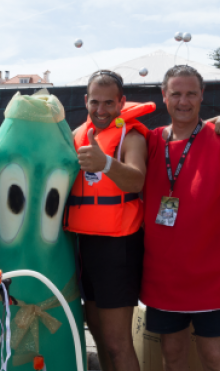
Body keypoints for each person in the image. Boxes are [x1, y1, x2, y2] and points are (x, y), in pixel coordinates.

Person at [141, 65, 220, 371]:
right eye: (176, 94)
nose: (183, 101)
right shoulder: (149, 141)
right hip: (162, 276)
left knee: (215, 358)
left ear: (202, 95)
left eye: (191, 93)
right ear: (164, 96)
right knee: (172, 356)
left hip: (213, 279)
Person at [64, 70, 150, 371]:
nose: (101, 111)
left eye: (109, 103)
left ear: (121, 102)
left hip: (118, 248)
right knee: (98, 335)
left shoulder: (132, 135)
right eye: (95, 103)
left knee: (117, 342)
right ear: (86, 101)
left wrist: (106, 163)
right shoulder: (76, 135)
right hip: (83, 245)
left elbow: (137, 180)